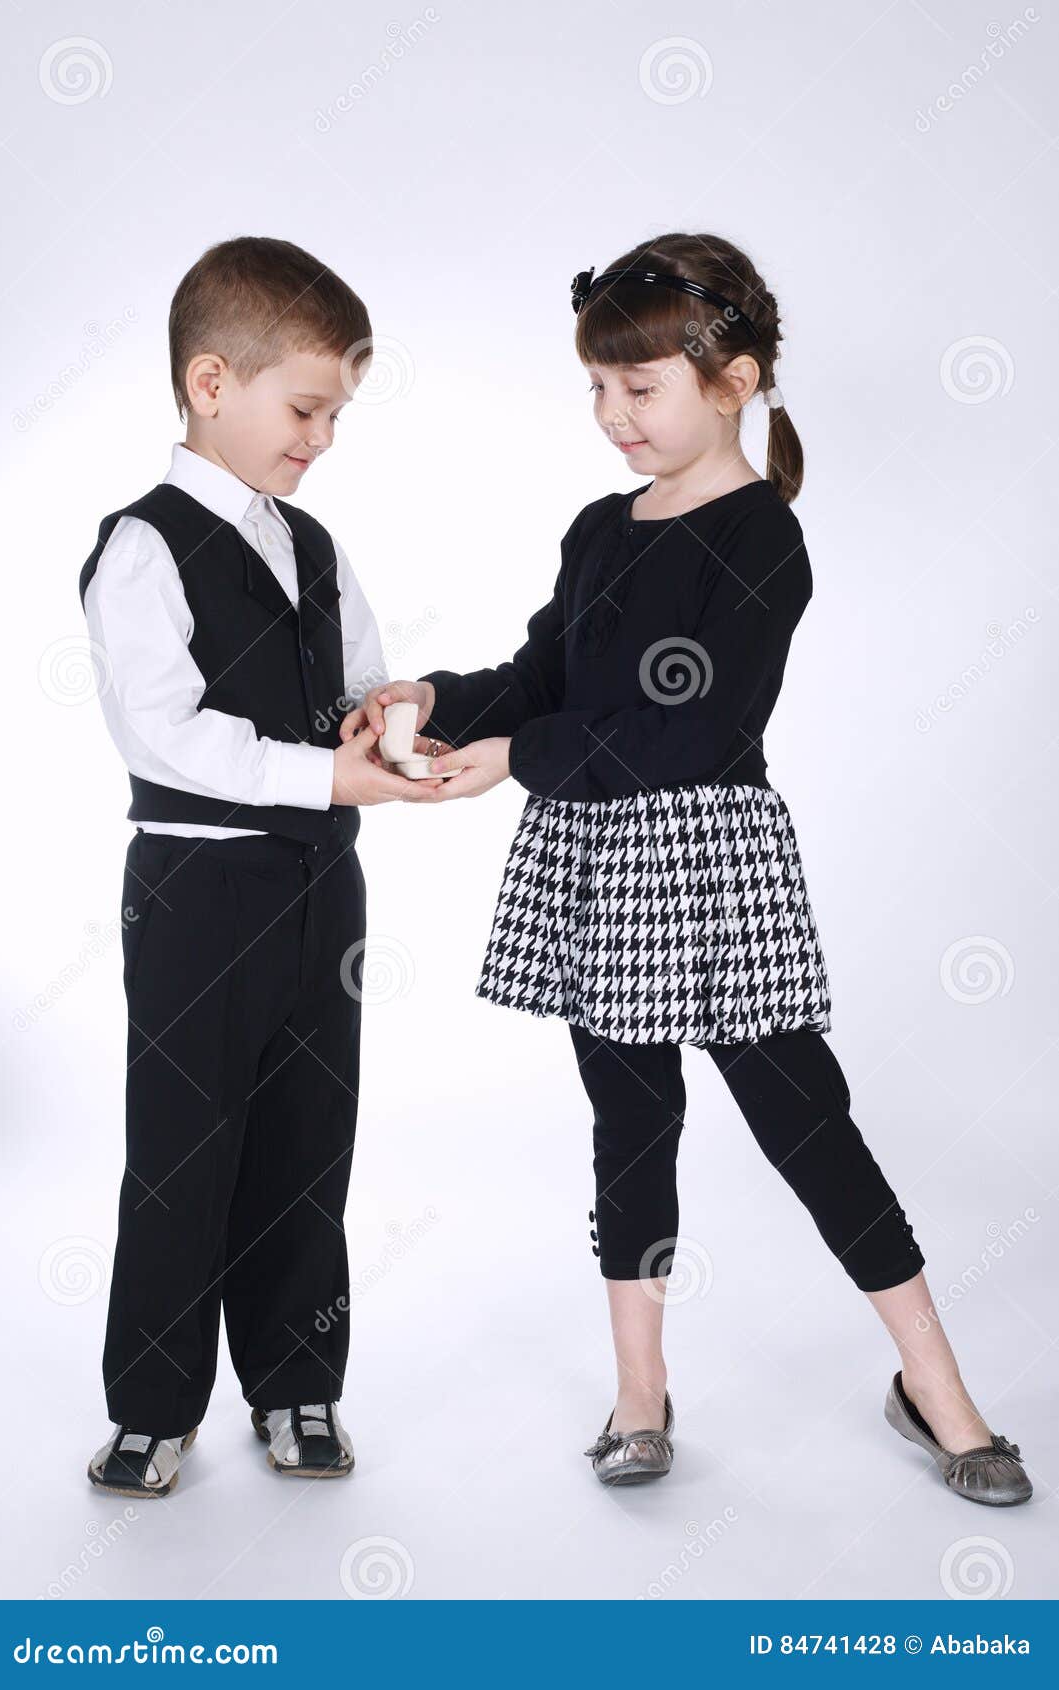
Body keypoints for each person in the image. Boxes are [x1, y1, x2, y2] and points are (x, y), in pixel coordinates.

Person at [353, 233, 1032, 1506]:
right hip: (597, 860)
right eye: (599, 391)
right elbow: (547, 671)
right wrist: (443, 694)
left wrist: (520, 752)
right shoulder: (598, 530)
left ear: (735, 380)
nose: (614, 417)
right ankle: (641, 1392)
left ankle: (935, 1390)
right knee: (631, 1125)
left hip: (711, 865)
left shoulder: (761, 540)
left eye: (642, 388)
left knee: (806, 1121)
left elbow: (700, 729)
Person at [79, 235, 443, 1498]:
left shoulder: (315, 545)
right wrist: (329, 774)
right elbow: (165, 732)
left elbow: (348, 683)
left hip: (318, 890)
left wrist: (376, 722)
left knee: (305, 1137)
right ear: (210, 381)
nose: (323, 436)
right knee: (185, 1144)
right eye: (306, 408)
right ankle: (152, 1401)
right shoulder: (141, 548)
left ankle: (296, 1382)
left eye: (336, 412)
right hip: (198, 894)